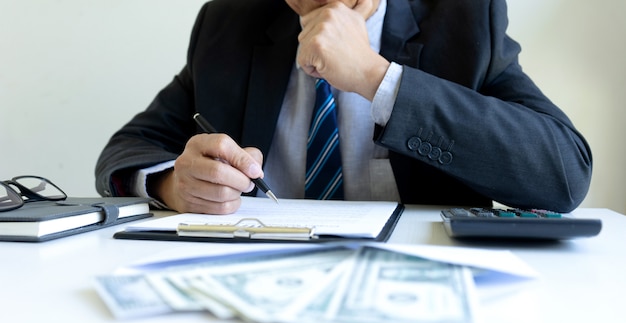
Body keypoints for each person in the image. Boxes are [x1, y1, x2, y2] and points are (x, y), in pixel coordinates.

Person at [95, 0, 593, 215]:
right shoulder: (229, 24)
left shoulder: (464, 18)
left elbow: (564, 172)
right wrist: (170, 184)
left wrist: (378, 78)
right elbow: (126, 150)